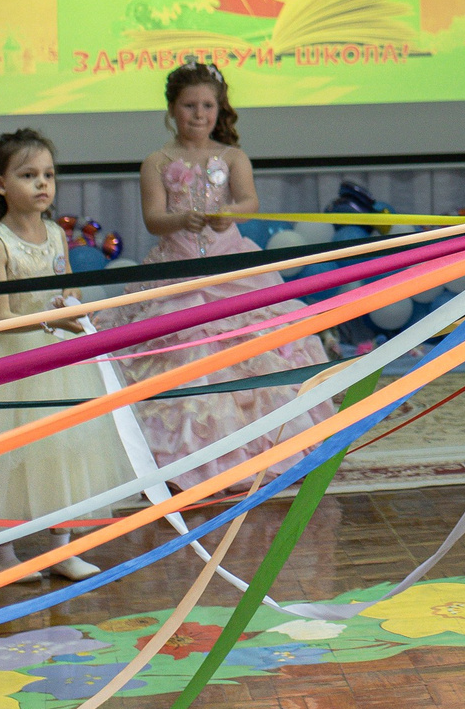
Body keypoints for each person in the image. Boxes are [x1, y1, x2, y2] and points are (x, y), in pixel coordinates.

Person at [108, 63, 329, 489]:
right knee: (181, 350)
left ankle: (267, 448)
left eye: (207, 105)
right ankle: (183, 456)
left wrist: (229, 214)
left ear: (218, 108)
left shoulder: (232, 157)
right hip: (178, 267)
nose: (199, 114)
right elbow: (154, 219)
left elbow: (249, 201)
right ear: (172, 110)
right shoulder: (156, 161)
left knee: (254, 345)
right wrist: (179, 220)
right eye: (189, 105)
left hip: (231, 264)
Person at [0, 130, 129, 582]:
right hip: (13, 357)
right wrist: (48, 320)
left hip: (58, 356)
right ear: (0, 184)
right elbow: (1, 316)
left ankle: (62, 547)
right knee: (9, 456)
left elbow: (66, 284)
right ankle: (1, 555)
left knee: (65, 448)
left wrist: (72, 305)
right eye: (29, 175)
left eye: (48, 175)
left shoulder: (57, 234)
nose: (42, 184)